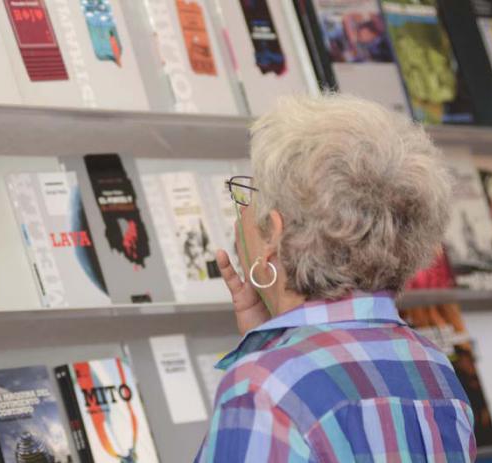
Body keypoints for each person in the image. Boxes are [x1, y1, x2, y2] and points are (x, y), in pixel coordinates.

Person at [196, 94, 476, 462]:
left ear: (275, 233)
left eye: (248, 196)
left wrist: (265, 358)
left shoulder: (263, 389)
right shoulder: (434, 367)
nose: (241, 215)